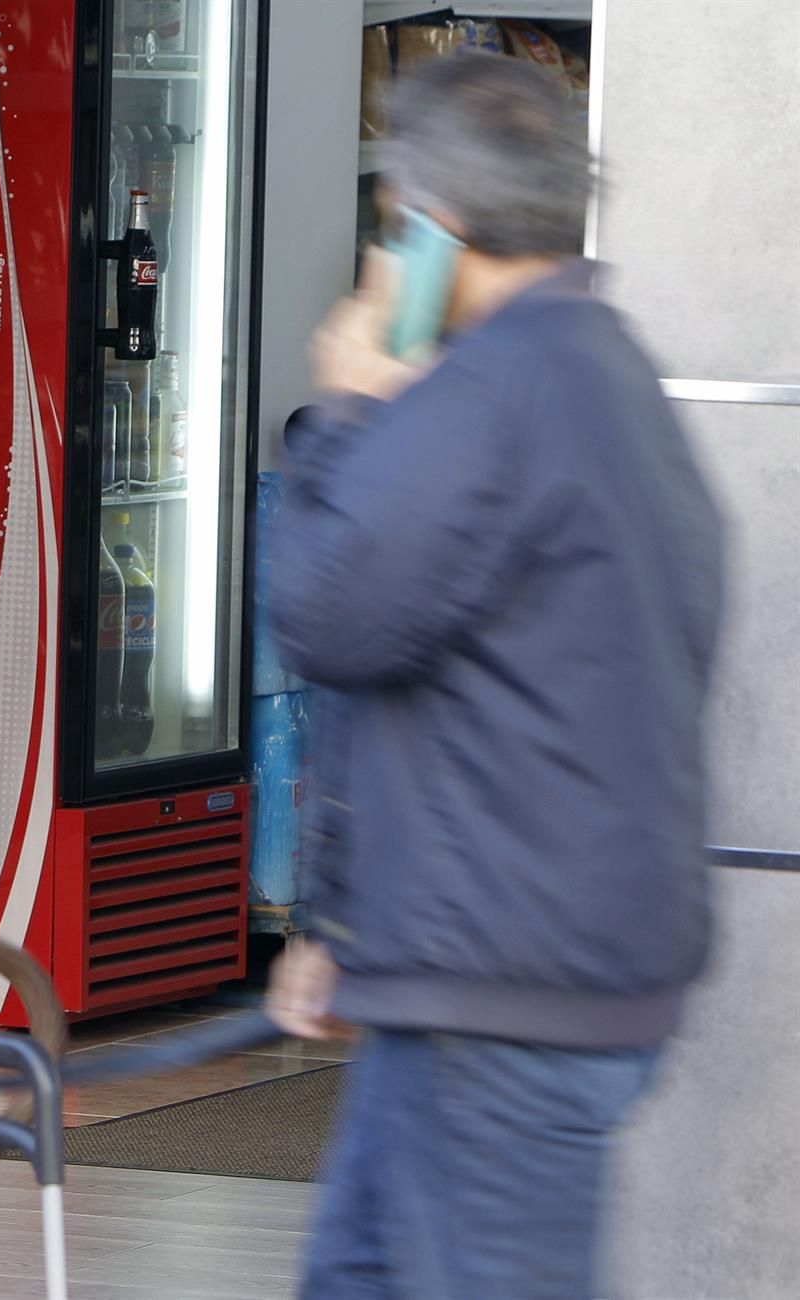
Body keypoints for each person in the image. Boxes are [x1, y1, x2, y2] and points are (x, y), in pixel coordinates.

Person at [265, 54, 724, 1300]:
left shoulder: (488, 395)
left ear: (432, 225)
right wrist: (350, 933)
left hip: (501, 993)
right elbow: (447, 680)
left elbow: (325, 615)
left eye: (392, 219)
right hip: (509, 969)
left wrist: (346, 414)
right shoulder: (608, 370)